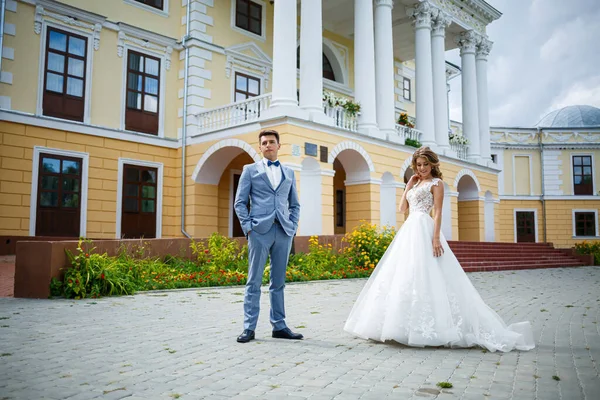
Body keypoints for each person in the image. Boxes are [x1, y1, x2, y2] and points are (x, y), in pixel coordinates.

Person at [343, 146, 535, 352]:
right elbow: (402, 209)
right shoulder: (415, 183)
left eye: (426, 164)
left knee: (428, 273)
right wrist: (408, 184)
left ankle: (436, 326)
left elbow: (438, 212)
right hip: (409, 231)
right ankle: (401, 325)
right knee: (406, 273)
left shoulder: (437, 183)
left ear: (433, 164)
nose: (423, 168)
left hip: (425, 229)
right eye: (419, 165)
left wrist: (435, 239)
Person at [234, 129, 302, 343]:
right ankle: (249, 328)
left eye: (272, 142)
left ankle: (279, 326)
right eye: (264, 143)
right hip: (259, 231)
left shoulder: (289, 172)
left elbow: (295, 204)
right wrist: (248, 227)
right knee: (253, 281)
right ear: (260, 147)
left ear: (279, 146)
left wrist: (292, 226)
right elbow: (239, 203)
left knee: (278, 282)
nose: (268, 145)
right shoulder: (249, 170)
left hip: (283, 231)